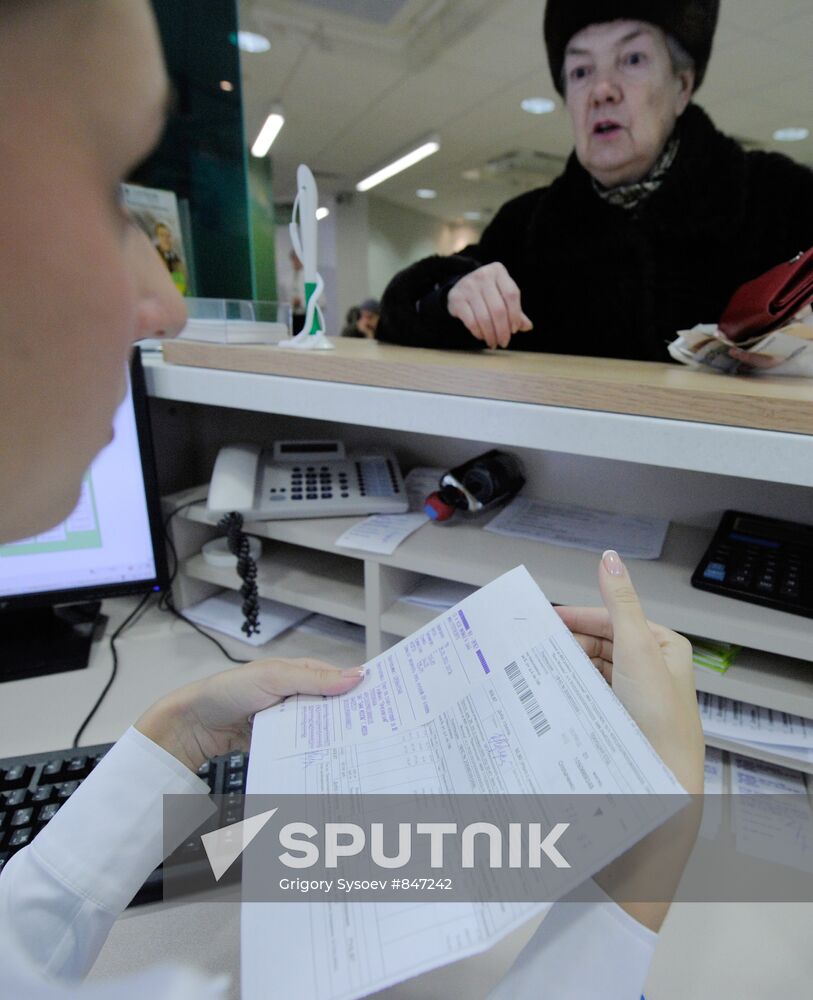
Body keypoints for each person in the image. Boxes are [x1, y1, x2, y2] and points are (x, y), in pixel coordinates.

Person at [0, 2, 703, 997]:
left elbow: (20, 948)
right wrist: (641, 869)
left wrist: (172, 734)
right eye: (103, 193)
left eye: (632, 59)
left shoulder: (769, 200)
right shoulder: (534, 222)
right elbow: (409, 300)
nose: (160, 305)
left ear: (684, 82)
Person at [377, 0, 813, 363]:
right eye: (581, 72)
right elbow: (397, 314)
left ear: (682, 86)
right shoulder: (526, 228)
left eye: (633, 59)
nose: (602, 90)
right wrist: (450, 295)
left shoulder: (778, 198)